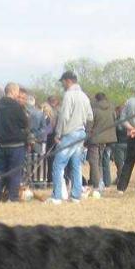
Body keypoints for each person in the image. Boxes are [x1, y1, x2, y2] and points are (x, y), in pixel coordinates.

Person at [50, 71, 93, 204]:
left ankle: (57, 196)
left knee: (58, 164)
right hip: (81, 133)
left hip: (69, 134)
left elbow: (64, 117)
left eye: (62, 81)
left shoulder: (68, 95)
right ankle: (75, 196)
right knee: (76, 165)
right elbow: (90, 116)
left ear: (68, 81)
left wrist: (58, 134)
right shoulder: (85, 96)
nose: (62, 84)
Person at [0, 82, 28, 202]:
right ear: (13, 91)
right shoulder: (15, 106)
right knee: (15, 172)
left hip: (2, 143)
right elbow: (24, 122)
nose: (18, 95)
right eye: (17, 92)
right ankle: (12, 197)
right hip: (16, 143)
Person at [88, 92, 117, 194]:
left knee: (94, 161)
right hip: (110, 139)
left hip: (96, 139)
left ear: (96, 99)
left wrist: (86, 138)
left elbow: (89, 126)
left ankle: (97, 183)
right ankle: (107, 181)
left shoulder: (94, 110)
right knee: (105, 161)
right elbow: (115, 121)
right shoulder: (112, 109)